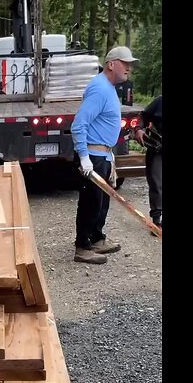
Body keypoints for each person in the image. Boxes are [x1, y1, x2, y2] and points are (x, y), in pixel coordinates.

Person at [71, 46, 139, 264]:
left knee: (102, 201)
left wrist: (110, 160)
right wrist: (83, 157)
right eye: (125, 63)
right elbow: (79, 125)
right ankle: (82, 246)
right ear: (111, 64)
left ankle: (97, 238)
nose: (129, 67)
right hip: (92, 155)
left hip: (103, 155)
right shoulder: (100, 89)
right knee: (91, 201)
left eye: (130, 64)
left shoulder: (109, 88)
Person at [133, 94, 163, 232]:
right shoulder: (159, 101)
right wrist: (138, 129)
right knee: (156, 183)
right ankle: (157, 222)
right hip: (158, 148)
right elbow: (143, 116)